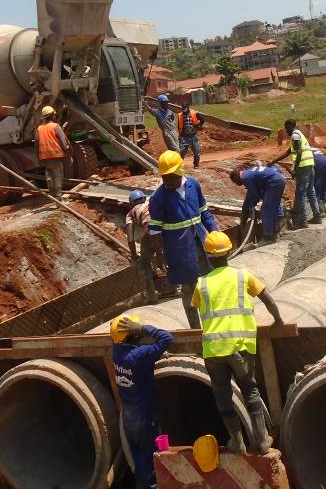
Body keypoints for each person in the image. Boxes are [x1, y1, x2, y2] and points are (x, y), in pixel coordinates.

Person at [193, 231, 283, 454]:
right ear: (230, 251)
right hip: (239, 347)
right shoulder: (243, 276)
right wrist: (278, 320)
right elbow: (268, 298)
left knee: (222, 394)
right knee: (249, 389)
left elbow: (196, 314)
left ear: (207, 255)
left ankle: (237, 441)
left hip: (213, 349)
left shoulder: (201, 284)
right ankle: (262, 441)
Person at [148, 151, 218, 328]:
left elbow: (204, 212)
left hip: (201, 244)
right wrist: (160, 257)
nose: (168, 182)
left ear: (180, 171)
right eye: (165, 178)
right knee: (188, 289)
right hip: (179, 251)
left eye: (171, 177)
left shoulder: (193, 185)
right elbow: (155, 231)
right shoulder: (158, 198)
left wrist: (215, 232)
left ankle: (213, 325)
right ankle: (195, 330)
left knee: (207, 285)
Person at [111, 314, 174, 489]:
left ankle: (142, 484)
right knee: (150, 456)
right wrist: (143, 328)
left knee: (138, 457)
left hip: (129, 416)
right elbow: (167, 338)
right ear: (134, 335)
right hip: (144, 416)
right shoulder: (139, 355)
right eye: (136, 332)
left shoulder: (116, 353)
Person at [269, 120, 321, 229]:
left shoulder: (295, 135)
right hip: (310, 165)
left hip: (303, 167)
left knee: (301, 194)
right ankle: (317, 216)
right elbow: (289, 152)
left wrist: (295, 168)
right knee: (311, 191)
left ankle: (302, 220)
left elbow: (299, 151)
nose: (286, 131)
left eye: (286, 128)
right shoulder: (299, 134)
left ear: (289, 127)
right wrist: (273, 161)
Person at [231, 164, 286, 243]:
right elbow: (250, 194)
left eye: (235, 182)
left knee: (266, 209)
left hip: (274, 183)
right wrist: (245, 209)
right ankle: (277, 230)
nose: (237, 184)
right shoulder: (250, 173)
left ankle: (268, 238)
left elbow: (254, 195)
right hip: (279, 179)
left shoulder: (245, 178)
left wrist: (252, 205)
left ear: (236, 178)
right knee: (274, 206)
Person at [125, 190, 158, 304]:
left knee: (144, 264)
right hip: (165, 230)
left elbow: (130, 239)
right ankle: (176, 287)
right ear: (144, 198)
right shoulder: (151, 203)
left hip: (149, 233)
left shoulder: (130, 213)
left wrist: (134, 254)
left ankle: (151, 297)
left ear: (131, 203)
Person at [34, 105, 71, 199]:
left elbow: (36, 144)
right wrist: (67, 152)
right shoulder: (56, 127)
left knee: (49, 170)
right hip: (56, 155)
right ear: (52, 116)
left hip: (45, 156)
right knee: (58, 176)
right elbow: (63, 142)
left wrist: (38, 157)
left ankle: (49, 179)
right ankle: (58, 197)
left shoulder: (39, 129)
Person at [177, 104, 204, 168]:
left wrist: (200, 125)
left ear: (188, 107)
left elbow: (202, 119)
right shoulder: (180, 115)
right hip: (184, 136)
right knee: (181, 152)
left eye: (185, 108)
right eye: (183, 109)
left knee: (196, 151)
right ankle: (180, 165)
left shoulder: (194, 113)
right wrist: (180, 135)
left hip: (193, 135)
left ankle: (196, 164)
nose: (184, 110)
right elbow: (179, 126)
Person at [312, 147, 326, 215]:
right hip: (325, 163)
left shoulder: (304, 151)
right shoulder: (315, 149)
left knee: (317, 187)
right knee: (323, 186)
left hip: (317, 164)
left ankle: (321, 212)